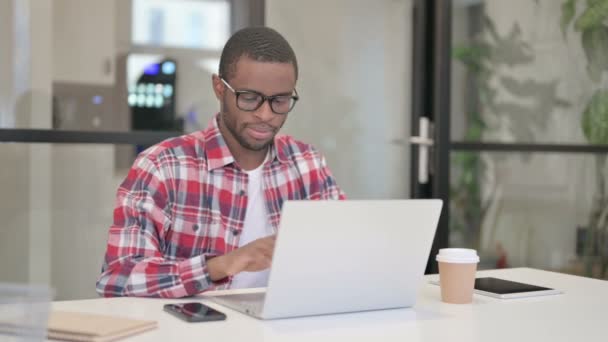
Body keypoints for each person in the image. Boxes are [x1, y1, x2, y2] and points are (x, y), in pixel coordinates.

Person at [96, 27, 345, 298]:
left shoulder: (307, 164)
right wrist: (220, 265)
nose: (266, 115)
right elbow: (117, 280)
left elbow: (346, 256)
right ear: (219, 88)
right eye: (249, 98)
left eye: (280, 101)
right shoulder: (162, 166)